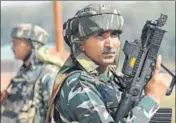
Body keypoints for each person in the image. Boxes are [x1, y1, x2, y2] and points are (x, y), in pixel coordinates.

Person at [50, 3, 171, 123]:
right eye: (100, 35)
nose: (110, 44)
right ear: (81, 44)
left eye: (114, 35)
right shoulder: (78, 84)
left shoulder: (111, 78)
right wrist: (152, 99)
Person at [1, 23, 61, 123]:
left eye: (16, 43)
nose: (12, 48)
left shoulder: (48, 73)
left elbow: (54, 114)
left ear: (30, 45)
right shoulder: (23, 71)